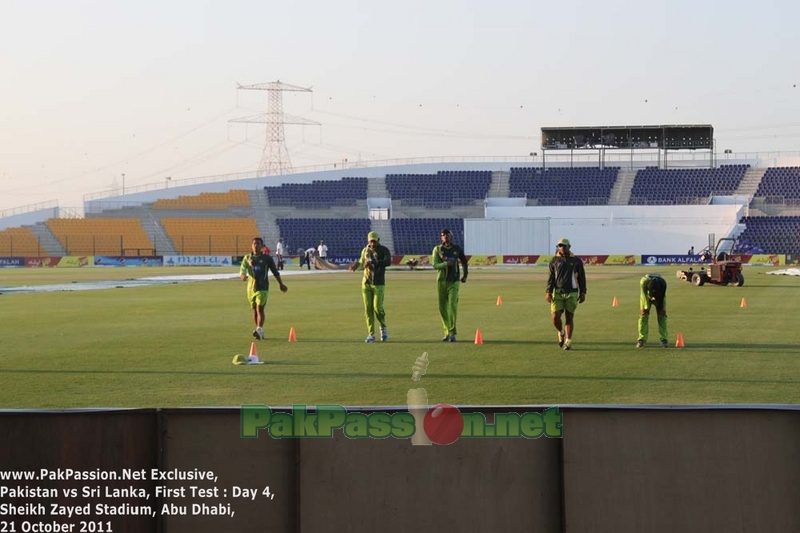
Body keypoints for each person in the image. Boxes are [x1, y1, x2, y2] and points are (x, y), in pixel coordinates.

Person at [239, 237, 288, 340]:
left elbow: (275, 272)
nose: (256, 245)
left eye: (258, 244)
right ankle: (259, 331)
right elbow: (242, 270)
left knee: (259, 308)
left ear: (262, 246)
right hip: (251, 288)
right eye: (254, 244)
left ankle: (259, 329)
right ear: (251, 245)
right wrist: (243, 276)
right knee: (254, 311)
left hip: (263, 287)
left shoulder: (267, 258)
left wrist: (281, 284)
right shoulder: (247, 258)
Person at [349, 231, 393, 342]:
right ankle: (371, 334)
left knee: (377, 308)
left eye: (374, 241)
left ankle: (383, 327)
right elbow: (361, 262)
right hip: (366, 283)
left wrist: (374, 262)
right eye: (371, 241)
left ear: (378, 240)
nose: (373, 243)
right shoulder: (365, 250)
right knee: (368, 310)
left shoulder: (384, 250)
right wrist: (357, 265)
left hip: (378, 283)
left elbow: (388, 262)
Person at [545, 238, 587, 351]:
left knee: (569, 317)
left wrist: (583, 292)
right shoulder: (554, 260)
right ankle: (561, 332)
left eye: (564, 245)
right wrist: (548, 291)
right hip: (558, 292)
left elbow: (582, 277)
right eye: (560, 246)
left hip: (572, 292)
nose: (562, 247)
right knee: (555, 318)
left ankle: (568, 341)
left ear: (569, 246)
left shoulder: (576, 261)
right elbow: (551, 278)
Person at [431, 228, 468, 342]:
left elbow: (464, 262)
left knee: (452, 306)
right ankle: (446, 331)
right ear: (441, 237)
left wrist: (465, 275)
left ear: (451, 236)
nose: (445, 236)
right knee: (442, 308)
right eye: (443, 235)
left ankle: (452, 332)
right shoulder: (438, 249)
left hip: (454, 281)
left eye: (447, 234)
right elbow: (435, 265)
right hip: (441, 281)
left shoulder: (456, 249)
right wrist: (446, 264)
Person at [636, 273, 668, 348]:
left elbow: (662, 297)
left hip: (659, 295)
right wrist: (646, 307)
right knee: (643, 315)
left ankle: (664, 339)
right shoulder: (643, 282)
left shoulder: (663, 284)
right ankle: (642, 339)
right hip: (646, 296)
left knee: (662, 315)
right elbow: (643, 295)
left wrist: (661, 307)